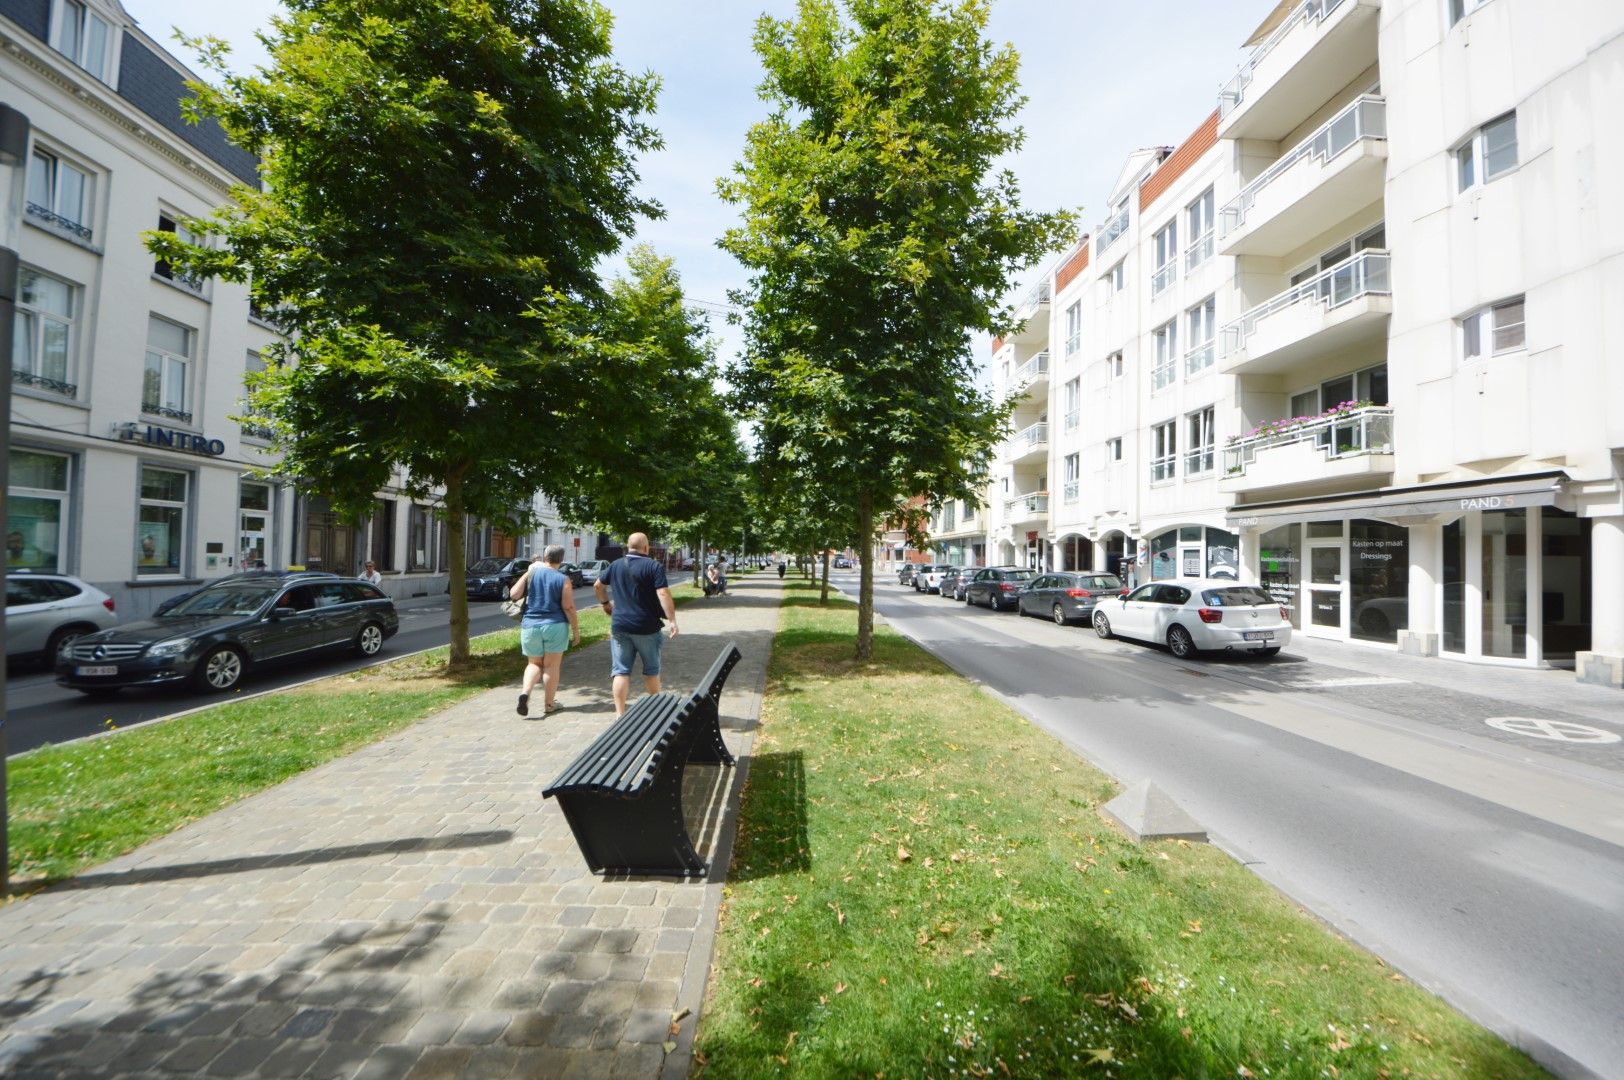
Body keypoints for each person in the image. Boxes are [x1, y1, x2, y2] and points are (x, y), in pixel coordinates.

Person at [595, 532, 678, 717]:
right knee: (651, 670)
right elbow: (663, 594)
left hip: (620, 626)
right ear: (646, 548)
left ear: (628, 547)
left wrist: (605, 604)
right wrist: (672, 620)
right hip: (647, 627)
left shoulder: (616, 565)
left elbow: (598, 585)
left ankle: (619, 713)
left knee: (621, 671)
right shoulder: (653, 566)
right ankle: (656, 710)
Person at [511, 545, 579, 717]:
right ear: (561, 560)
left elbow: (514, 594)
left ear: (545, 557)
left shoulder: (533, 573)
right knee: (551, 666)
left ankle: (525, 693)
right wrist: (576, 630)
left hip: (530, 625)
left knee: (533, 664)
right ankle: (549, 704)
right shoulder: (563, 579)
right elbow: (568, 607)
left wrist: (528, 572)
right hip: (555, 625)